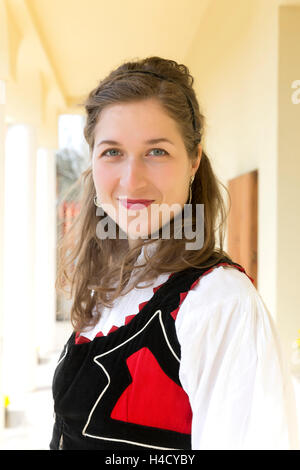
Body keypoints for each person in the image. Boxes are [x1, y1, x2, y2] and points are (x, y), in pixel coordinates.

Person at [50, 56, 299, 450]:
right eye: (112, 152)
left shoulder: (218, 302)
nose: (132, 179)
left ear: (194, 161)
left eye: (157, 152)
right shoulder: (110, 285)